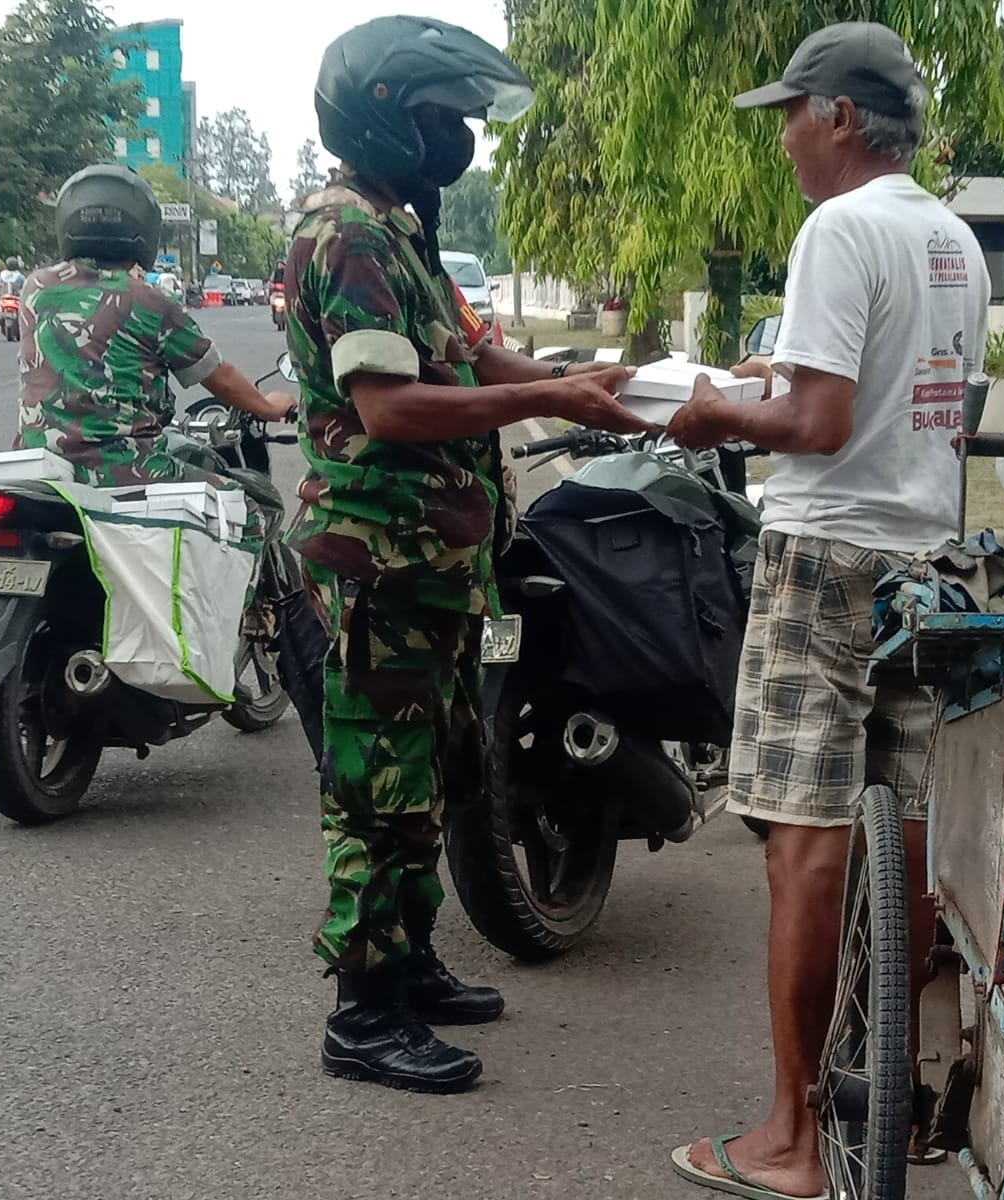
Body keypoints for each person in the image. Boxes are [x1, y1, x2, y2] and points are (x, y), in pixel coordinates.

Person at [286, 14, 652, 1095]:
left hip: (435, 560)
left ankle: (410, 963)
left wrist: (583, 382)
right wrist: (555, 400)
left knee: (440, 772)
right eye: (442, 116)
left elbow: (472, 354)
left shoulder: (400, 231)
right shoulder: (346, 235)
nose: (460, 136)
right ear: (385, 119)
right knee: (378, 790)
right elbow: (391, 407)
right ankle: (363, 1013)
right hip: (380, 560)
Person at [662, 23, 990, 1200]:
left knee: (804, 842)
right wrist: (775, 383)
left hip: (825, 559)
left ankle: (792, 1138)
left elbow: (817, 425)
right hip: (928, 563)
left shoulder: (838, 228)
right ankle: (884, 1099)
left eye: (793, 117)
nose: (787, 141)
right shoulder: (951, 237)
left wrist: (713, 414)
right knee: (904, 832)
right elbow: (922, 402)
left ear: (839, 117)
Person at [17, 164, 295, 495]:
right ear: (143, 229)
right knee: (256, 502)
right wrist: (269, 407)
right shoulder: (148, 300)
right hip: (127, 468)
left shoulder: (35, 287)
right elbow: (219, 377)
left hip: (39, 468)